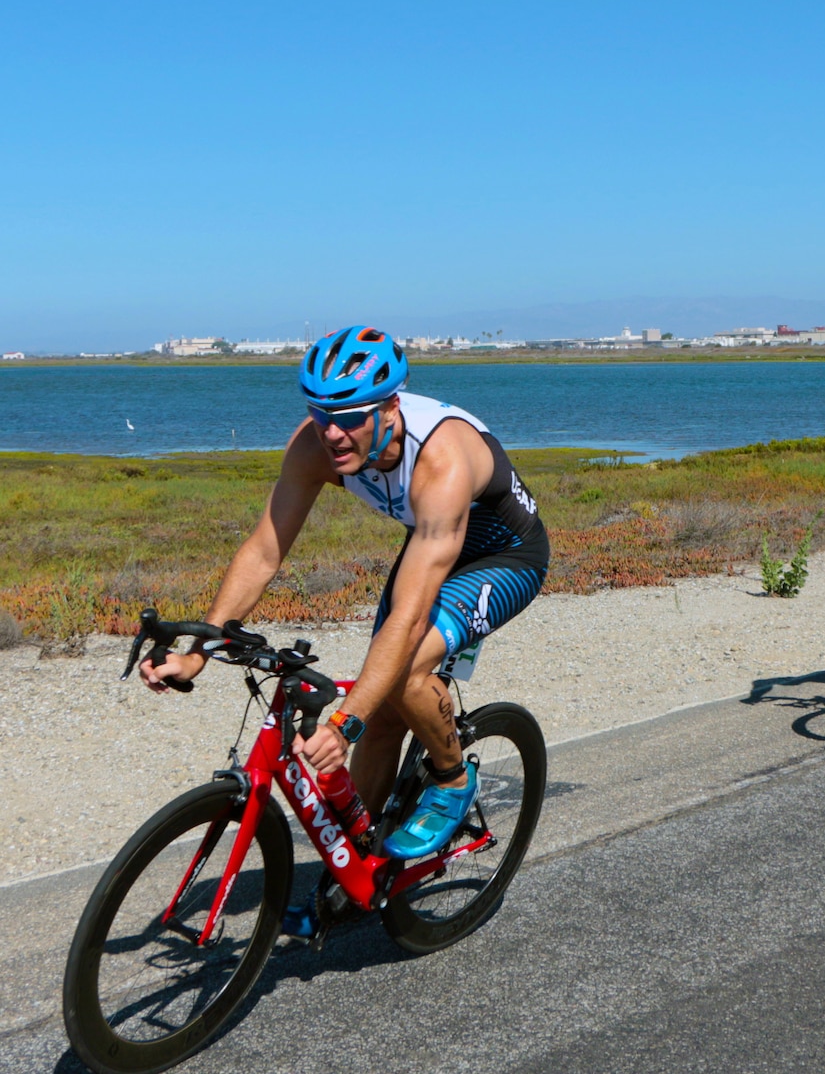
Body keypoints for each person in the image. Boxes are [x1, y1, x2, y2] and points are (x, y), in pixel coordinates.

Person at [139, 326, 549, 929]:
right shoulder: (315, 445)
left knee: (402, 672)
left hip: (504, 557)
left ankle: (452, 777)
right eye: (321, 413)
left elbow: (408, 620)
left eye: (350, 416)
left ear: (389, 408)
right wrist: (201, 649)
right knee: (381, 711)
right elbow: (263, 551)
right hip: (432, 549)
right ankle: (350, 878)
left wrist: (342, 721)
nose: (332, 432)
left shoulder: (442, 458)